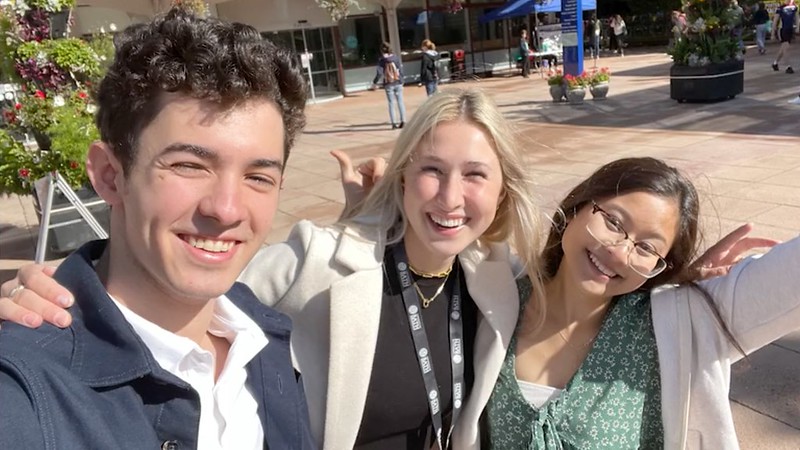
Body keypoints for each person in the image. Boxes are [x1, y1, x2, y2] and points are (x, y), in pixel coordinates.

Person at [0, 88, 549, 450]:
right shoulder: (319, 259)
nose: (451, 196)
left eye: (475, 174)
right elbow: (192, 282)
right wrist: (62, 288)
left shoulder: (498, 279)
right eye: (431, 169)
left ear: (502, 194)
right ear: (403, 177)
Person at [0, 7, 314, 450]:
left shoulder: (263, 339)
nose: (226, 209)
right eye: (189, 165)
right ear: (110, 175)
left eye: (258, 177)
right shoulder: (23, 399)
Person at [475, 158, 797, 449]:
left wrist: (689, 293)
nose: (618, 252)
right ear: (578, 206)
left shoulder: (670, 326)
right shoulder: (493, 299)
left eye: (646, 248)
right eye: (614, 222)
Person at [372, 42, 406, 130]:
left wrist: (374, 82)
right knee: (400, 102)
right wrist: (402, 79)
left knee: (391, 103)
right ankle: (403, 121)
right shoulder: (395, 58)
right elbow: (400, 69)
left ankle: (393, 123)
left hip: (388, 83)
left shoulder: (381, 60)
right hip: (398, 82)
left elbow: (379, 73)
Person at [772, 0, 798, 73]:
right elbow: (775, 21)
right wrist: (773, 33)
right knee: (786, 48)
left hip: (790, 29)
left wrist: (797, 27)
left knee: (783, 48)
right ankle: (788, 66)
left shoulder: (794, 7)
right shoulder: (780, 8)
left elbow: (797, 17)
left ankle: (775, 63)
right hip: (782, 29)